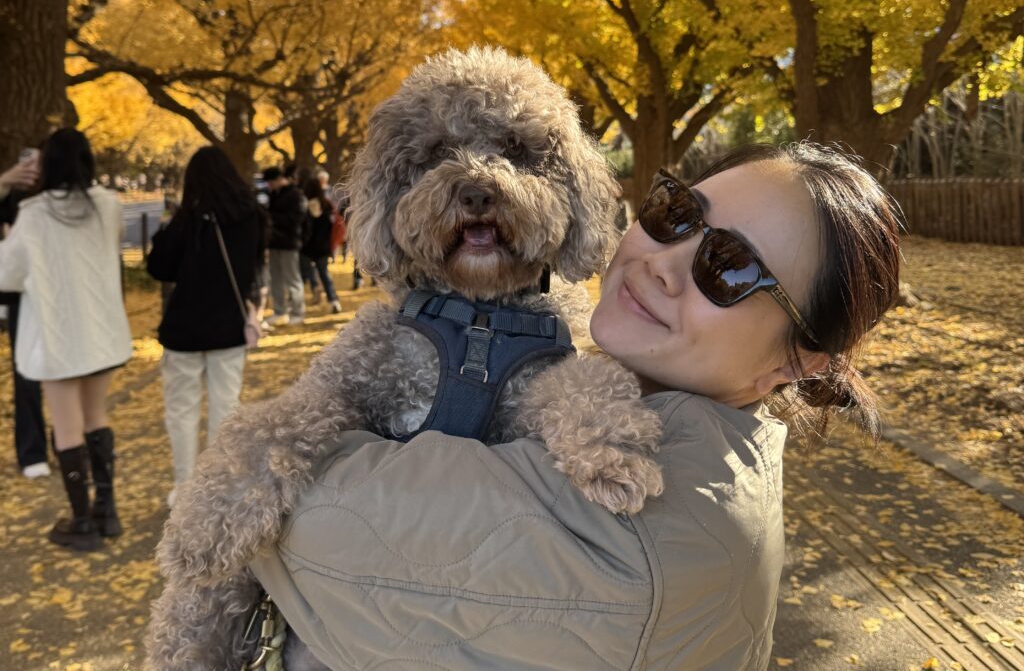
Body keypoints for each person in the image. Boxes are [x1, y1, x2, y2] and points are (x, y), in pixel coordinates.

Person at [247, 141, 902, 670]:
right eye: (676, 214)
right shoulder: (680, 424)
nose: (661, 261)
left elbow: (277, 508)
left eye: (728, 268)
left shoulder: (637, 520)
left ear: (796, 363)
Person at [0, 129, 133, 552]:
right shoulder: (108, 206)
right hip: (101, 333)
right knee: (97, 418)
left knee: (68, 426)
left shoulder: (35, 213)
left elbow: (8, 275)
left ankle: (81, 520)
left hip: (57, 336)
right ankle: (106, 512)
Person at [146, 146, 268, 507]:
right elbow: (252, 269)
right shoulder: (251, 218)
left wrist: (166, 231)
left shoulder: (187, 220)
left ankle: (184, 487)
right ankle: (218, 485)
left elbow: (159, 268)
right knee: (226, 407)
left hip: (184, 329)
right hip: (228, 325)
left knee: (181, 411)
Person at [0, 152, 50, 478]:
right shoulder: (11, 196)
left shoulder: (58, 197)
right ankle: (33, 453)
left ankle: (71, 444)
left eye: (37, 161)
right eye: (25, 161)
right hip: (20, 294)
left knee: (69, 373)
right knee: (26, 374)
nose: (31, 168)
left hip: (58, 294)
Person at [262, 166, 307, 326]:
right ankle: (279, 311)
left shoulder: (295, 194)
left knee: (292, 278)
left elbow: (295, 219)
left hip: (289, 243)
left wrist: (271, 217)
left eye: (270, 182)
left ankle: (297, 312)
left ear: (277, 179)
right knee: (275, 278)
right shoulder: (274, 194)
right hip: (274, 242)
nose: (269, 185)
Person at [299, 176, 341, 313]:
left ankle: (312, 289)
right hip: (323, 247)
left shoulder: (304, 206)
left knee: (304, 273)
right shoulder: (327, 205)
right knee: (324, 274)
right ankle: (333, 300)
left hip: (306, 247)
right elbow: (334, 226)